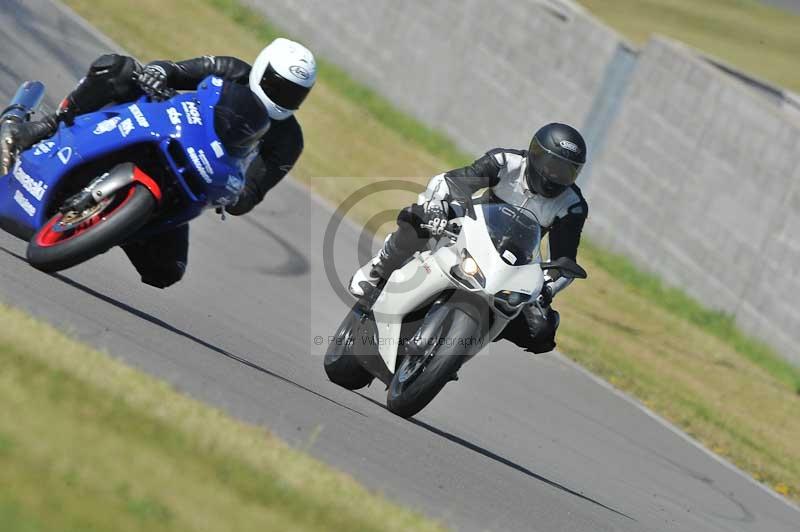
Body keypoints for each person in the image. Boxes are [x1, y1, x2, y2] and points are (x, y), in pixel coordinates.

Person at [0, 38, 316, 288]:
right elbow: (173, 70)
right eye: (277, 85)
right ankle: (47, 126)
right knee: (117, 68)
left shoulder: (288, 141)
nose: (283, 97)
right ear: (262, 69)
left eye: (294, 94)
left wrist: (236, 194)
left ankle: (112, 223)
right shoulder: (231, 70)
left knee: (166, 272)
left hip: (192, 179)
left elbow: (251, 193)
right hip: (167, 131)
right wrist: (158, 75)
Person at [349, 123, 588, 354]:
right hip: (471, 227)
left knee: (540, 330)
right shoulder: (506, 162)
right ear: (536, 155)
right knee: (417, 219)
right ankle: (379, 270)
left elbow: (564, 261)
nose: (555, 177)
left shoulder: (572, 205)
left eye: (566, 171)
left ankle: (458, 347)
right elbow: (452, 181)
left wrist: (547, 286)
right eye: (551, 166)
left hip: (515, 259)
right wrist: (437, 208)